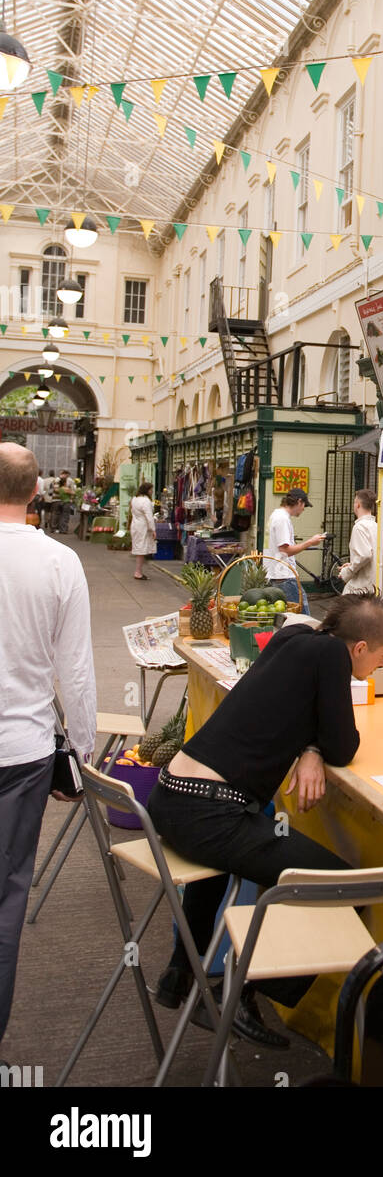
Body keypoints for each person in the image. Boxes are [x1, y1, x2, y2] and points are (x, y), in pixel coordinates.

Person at [147, 592, 383, 1046]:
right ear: (360, 648)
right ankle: (239, 992)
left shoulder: (295, 635)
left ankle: (180, 975)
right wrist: (319, 747)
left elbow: (300, 710)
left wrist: (309, 747)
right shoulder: (331, 656)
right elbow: (343, 745)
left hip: (171, 797)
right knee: (351, 885)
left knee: (230, 860)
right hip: (210, 813)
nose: (382, 666)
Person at [0, 443, 97, 1045]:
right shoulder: (60, 563)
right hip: (24, 753)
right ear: (37, 492)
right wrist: (80, 759)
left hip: (25, 750)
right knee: (8, 896)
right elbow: (78, 673)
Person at [263, 487, 325, 616]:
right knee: (302, 618)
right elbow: (285, 550)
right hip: (284, 575)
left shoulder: (276, 515)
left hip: (276, 574)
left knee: (284, 618)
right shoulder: (282, 519)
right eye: (304, 506)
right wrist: (310, 542)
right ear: (299, 502)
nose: (303, 509)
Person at [338, 489, 378, 594]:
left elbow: (364, 555)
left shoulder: (359, 527)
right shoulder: (376, 526)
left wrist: (347, 571)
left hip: (361, 587)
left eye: (354, 502)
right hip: (373, 584)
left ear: (358, 505)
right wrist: (352, 564)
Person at [130, 481, 156, 580]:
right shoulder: (146, 501)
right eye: (151, 489)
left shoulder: (134, 499)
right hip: (143, 526)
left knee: (139, 548)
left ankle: (138, 571)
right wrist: (153, 529)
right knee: (141, 549)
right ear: (147, 490)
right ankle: (138, 572)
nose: (152, 491)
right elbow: (149, 516)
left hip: (135, 525)